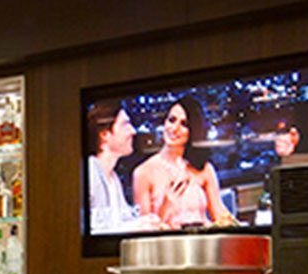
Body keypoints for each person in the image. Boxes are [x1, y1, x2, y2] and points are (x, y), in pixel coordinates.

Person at [132, 97, 237, 229]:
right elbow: (144, 230)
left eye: (184, 124)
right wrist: (166, 204)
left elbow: (221, 217)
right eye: (171, 120)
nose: (174, 128)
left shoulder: (203, 168)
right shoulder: (143, 173)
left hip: (203, 239)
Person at [86, 103, 161, 234]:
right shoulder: (90, 172)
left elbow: (120, 223)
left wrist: (145, 222)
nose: (133, 131)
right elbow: (86, 230)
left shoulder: (113, 178)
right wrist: (135, 227)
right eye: (125, 125)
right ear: (105, 134)